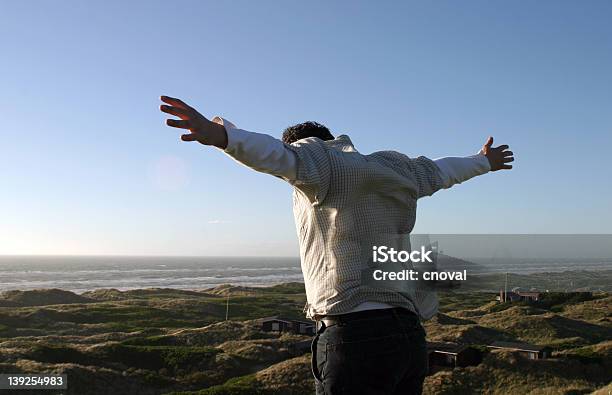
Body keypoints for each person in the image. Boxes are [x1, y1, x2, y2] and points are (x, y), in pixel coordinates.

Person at [159, 95, 514, 394]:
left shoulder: (317, 160)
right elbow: (441, 171)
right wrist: (485, 161)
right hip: (409, 338)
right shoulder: (395, 168)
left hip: (354, 337)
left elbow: (277, 156)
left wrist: (222, 135)